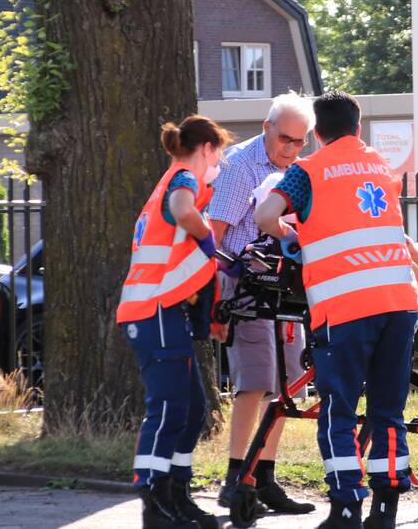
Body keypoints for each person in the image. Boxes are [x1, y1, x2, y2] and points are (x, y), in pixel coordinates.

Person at [254, 91, 418, 529]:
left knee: (339, 408)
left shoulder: (307, 170)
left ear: (317, 134)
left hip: (346, 305)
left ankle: (346, 507)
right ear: (358, 128)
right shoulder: (383, 167)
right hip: (401, 302)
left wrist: (291, 232)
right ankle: (385, 509)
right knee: (388, 409)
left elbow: (265, 213)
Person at [116, 114, 233, 529]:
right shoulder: (184, 178)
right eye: (217, 152)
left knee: (194, 408)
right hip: (155, 310)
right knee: (168, 409)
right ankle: (155, 500)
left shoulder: (168, 181)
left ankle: (177, 494)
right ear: (207, 148)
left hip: (160, 310)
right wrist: (208, 240)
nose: (217, 161)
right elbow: (183, 211)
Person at [210, 92, 316, 515]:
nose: (291, 149)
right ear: (266, 127)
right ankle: (235, 478)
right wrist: (216, 302)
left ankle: (265, 478)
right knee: (255, 382)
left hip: (287, 285)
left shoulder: (299, 171)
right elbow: (214, 236)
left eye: (300, 142)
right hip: (246, 283)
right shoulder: (241, 166)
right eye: (285, 139)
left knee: (288, 383)